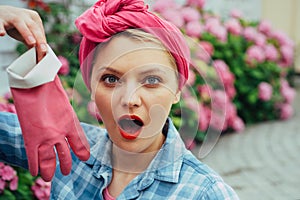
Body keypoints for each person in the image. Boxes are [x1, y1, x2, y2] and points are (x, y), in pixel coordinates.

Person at [0, 1, 240, 199]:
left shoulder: (205, 193)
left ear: (177, 90)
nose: (129, 99)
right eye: (111, 79)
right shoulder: (69, 149)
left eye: (152, 80)